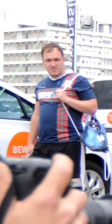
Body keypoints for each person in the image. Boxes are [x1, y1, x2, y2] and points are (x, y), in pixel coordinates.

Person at [26, 43, 97, 187]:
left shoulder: (78, 80)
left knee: (69, 188)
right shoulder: (41, 85)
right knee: (35, 186)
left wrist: (67, 99)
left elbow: (92, 107)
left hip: (69, 143)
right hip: (43, 144)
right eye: (49, 60)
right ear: (43, 62)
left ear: (64, 59)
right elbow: (36, 115)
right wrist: (30, 142)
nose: (53, 64)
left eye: (56, 60)